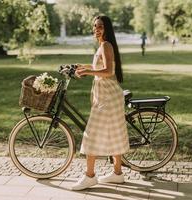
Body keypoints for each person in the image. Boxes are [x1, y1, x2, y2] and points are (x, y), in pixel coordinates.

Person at [71, 15, 130, 191]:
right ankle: (117, 174)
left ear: (107, 28)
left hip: (108, 98)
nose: (97, 29)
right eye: (95, 26)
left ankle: (90, 177)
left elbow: (108, 71)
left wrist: (88, 72)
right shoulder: (103, 45)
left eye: (100, 26)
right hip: (107, 96)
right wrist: (81, 67)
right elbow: (101, 65)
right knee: (115, 132)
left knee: (91, 134)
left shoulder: (106, 45)